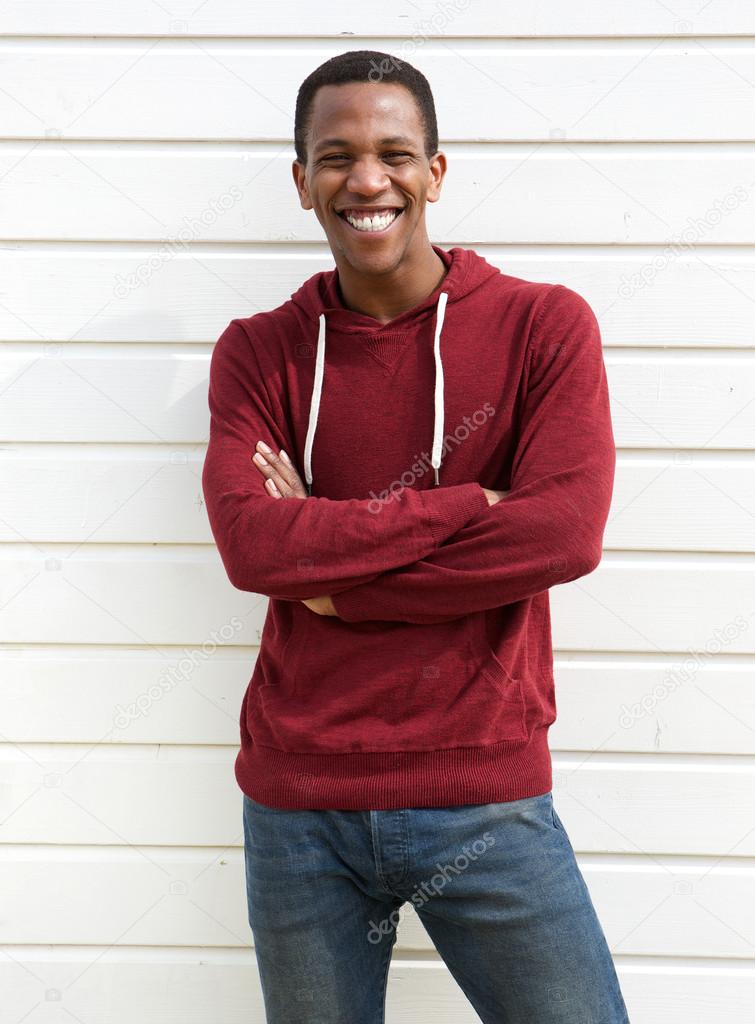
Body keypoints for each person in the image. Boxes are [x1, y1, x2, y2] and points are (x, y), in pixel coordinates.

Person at [201, 48, 630, 1024]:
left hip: (482, 792)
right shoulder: (259, 350)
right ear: (301, 177)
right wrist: (460, 507)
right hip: (296, 804)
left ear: (434, 171)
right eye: (335, 154)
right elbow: (251, 549)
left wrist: (336, 580)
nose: (365, 177)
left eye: (393, 151)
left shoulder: (542, 327)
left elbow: (561, 533)